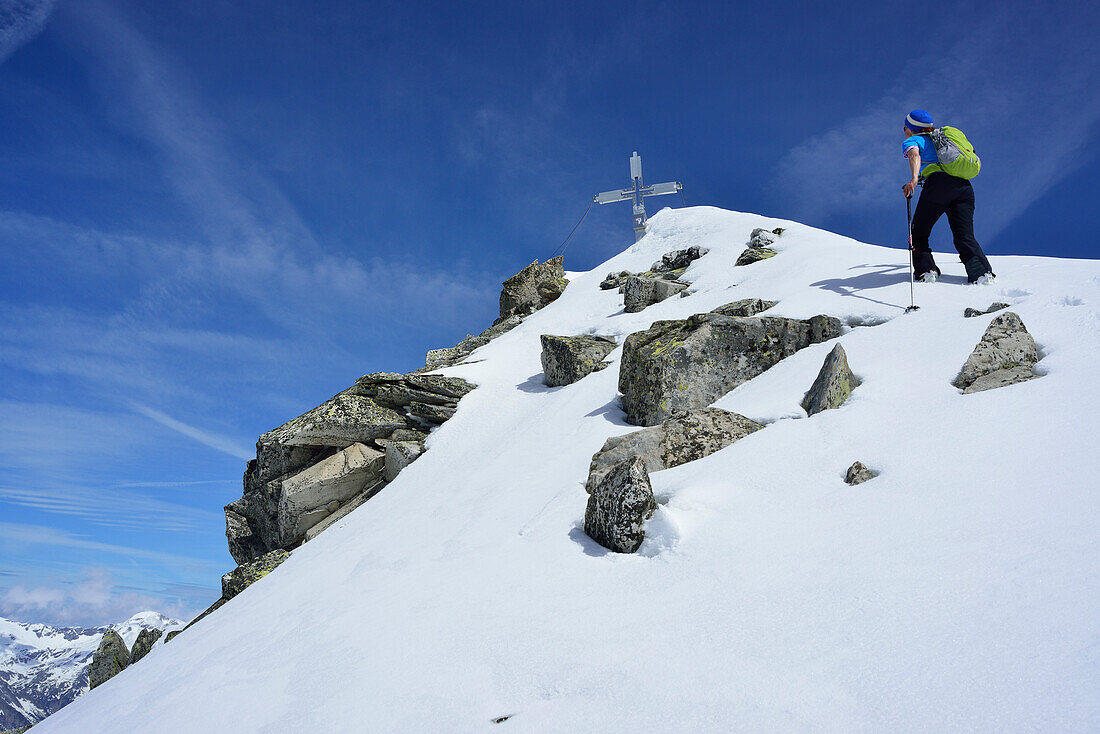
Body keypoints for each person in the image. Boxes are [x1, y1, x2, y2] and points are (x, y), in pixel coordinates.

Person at [901, 109, 995, 284]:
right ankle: (981, 273)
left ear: (911, 128)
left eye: (905, 127)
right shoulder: (945, 138)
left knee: (918, 232)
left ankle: (926, 271)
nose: (904, 131)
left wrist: (914, 180)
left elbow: (914, 154)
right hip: (964, 187)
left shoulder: (914, 140)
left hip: (938, 186)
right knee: (964, 235)